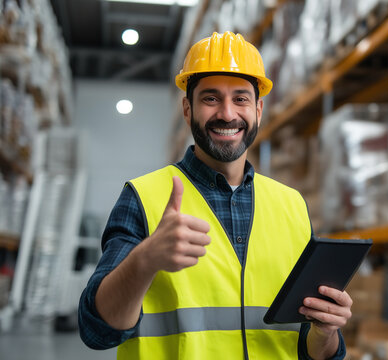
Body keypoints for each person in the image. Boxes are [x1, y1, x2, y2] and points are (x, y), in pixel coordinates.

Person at [78, 31, 353, 360]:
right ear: (187, 109)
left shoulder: (291, 205)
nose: (227, 113)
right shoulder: (144, 197)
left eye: (240, 99)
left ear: (258, 109)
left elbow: (314, 352)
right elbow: (96, 330)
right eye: (211, 98)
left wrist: (326, 331)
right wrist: (145, 259)